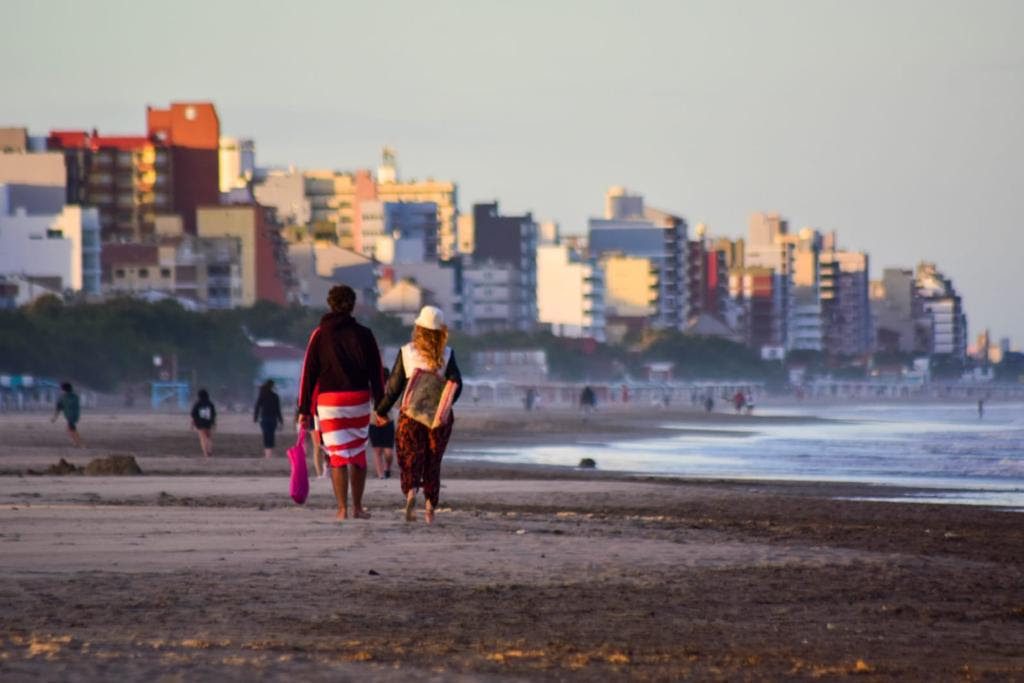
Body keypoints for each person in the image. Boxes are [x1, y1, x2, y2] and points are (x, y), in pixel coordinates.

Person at [297, 284, 385, 521]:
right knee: (357, 454)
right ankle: (357, 507)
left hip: (329, 401)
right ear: (353, 305)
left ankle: (342, 509)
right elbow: (376, 372)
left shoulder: (319, 334)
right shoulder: (365, 334)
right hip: (357, 398)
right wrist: (382, 406)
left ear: (330, 304)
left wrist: (304, 409)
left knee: (337, 456)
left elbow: (309, 373)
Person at [374, 305, 462, 524]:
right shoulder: (448, 354)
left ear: (419, 328)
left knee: (410, 457)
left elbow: (393, 388)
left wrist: (381, 411)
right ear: (441, 331)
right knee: (433, 462)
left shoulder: (407, 352)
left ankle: (412, 493)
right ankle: (430, 508)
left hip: (411, 416)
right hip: (438, 420)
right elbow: (457, 385)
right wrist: (442, 408)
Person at [253, 380, 283, 458]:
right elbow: (278, 410)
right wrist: (281, 420)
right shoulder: (275, 396)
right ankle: (269, 453)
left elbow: (257, 406)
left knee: (266, 434)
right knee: (271, 435)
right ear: (272, 386)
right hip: (273, 418)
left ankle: (267, 453)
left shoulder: (262, 395)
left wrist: (255, 417)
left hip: (264, 418)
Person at [51, 382, 82, 447]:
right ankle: (76, 443)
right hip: (75, 416)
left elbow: (58, 408)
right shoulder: (75, 396)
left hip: (70, 416)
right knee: (70, 429)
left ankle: (79, 443)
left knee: (72, 430)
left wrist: (54, 418)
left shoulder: (63, 398)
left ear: (63, 389)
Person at [190, 388, 216, 457]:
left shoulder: (197, 403)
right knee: (209, 437)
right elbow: (213, 413)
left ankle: (205, 453)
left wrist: (193, 422)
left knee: (202, 438)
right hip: (208, 422)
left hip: (200, 423)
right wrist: (213, 422)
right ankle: (210, 450)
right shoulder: (210, 403)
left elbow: (193, 413)